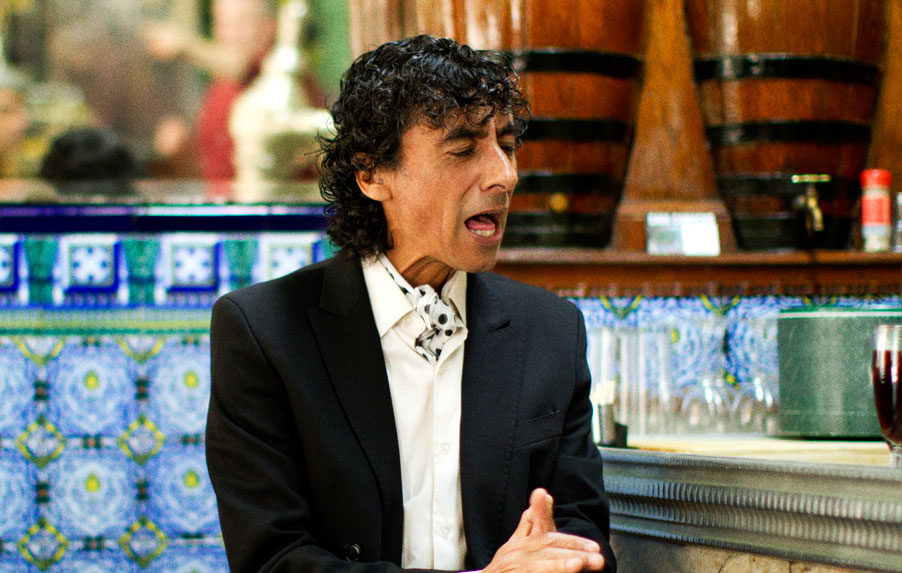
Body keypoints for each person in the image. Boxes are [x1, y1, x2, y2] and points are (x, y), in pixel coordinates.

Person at [206, 34, 616, 572]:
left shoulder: (551, 331)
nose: (505, 175)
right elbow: (273, 559)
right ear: (372, 173)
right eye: (463, 149)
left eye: (507, 145)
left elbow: (586, 539)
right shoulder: (264, 331)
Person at [143, 0, 278, 179]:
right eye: (222, 23)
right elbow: (207, 174)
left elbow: (238, 65)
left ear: (270, 26)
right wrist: (182, 153)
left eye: (241, 22)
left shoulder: (278, 75)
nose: (229, 33)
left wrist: (184, 44)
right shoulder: (220, 86)